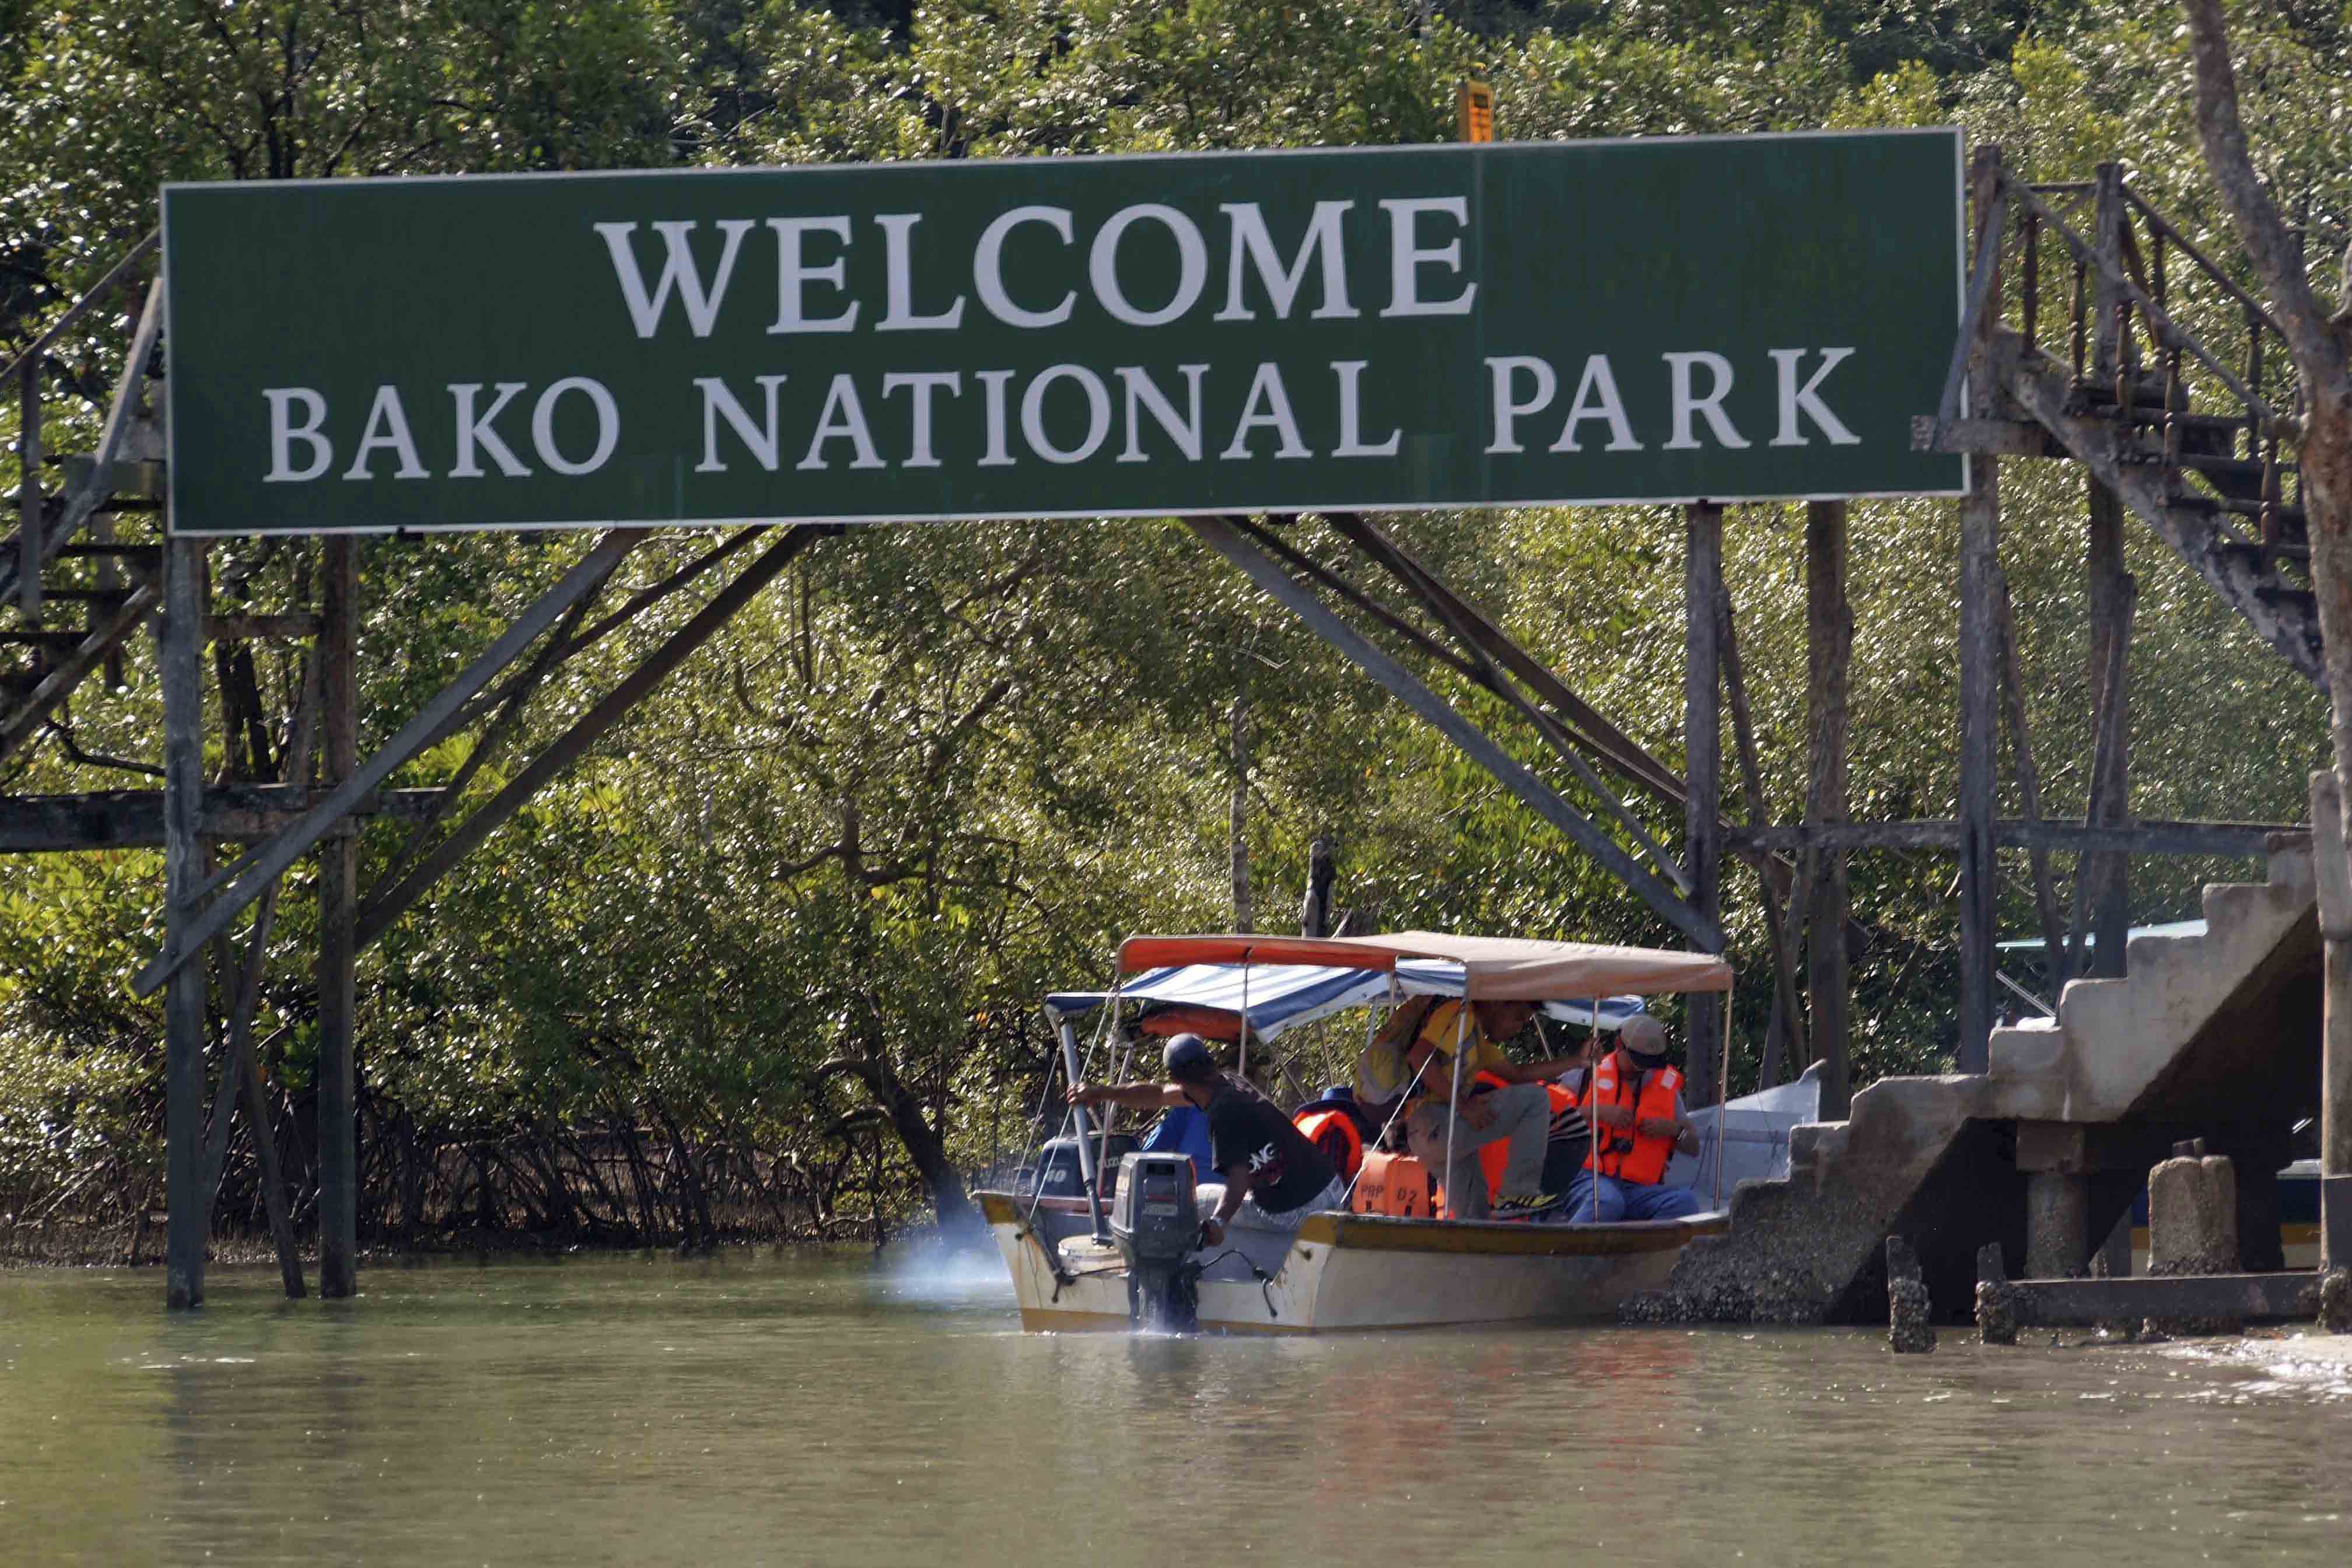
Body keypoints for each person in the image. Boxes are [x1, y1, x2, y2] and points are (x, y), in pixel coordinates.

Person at [1069, 1034, 1345, 1248]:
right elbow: (1157, 1095)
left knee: (1197, 1198)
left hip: (1302, 1212)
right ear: (1209, 1061)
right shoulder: (1229, 1083)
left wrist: (1219, 1223)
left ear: (1176, 1077)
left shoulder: (1221, 1114)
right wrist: (1101, 1092)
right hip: (1334, 1188)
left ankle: (1180, 1273)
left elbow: (1238, 1181)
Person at [1359, 996, 1592, 1220]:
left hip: (1432, 1135)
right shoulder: (1459, 1015)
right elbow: (1419, 1057)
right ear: (1497, 1004)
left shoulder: (1476, 1038)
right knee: (1536, 1099)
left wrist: (1578, 1061)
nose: (1518, 1028)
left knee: (1474, 1218)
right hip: (1433, 1122)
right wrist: (1464, 1105)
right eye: (1518, 1018)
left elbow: (1519, 1074)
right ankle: (1517, 1192)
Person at [1568, 1012, 1709, 1222]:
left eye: (1649, 1063)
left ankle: (1641, 1252)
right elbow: (1556, 1119)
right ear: (1619, 1044)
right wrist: (1599, 1112)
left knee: (1685, 1203)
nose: (1642, 1069)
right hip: (1592, 1178)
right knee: (1608, 1202)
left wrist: (1673, 1130)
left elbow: (1694, 1148)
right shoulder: (1589, 1073)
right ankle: (1564, 1252)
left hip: (1641, 1191)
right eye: (1637, 1061)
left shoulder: (1666, 1085)